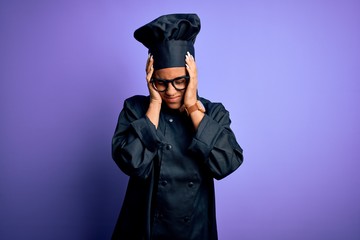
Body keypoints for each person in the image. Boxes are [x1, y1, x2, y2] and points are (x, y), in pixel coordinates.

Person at [111, 13, 243, 240]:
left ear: (192, 76)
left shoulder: (214, 113)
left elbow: (227, 164)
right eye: (161, 83)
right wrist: (153, 104)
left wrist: (192, 108)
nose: (170, 91)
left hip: (194, 231)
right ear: (151, 78)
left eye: (179, 81)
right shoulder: (134, 109)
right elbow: (132, 164)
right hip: (142, 230)